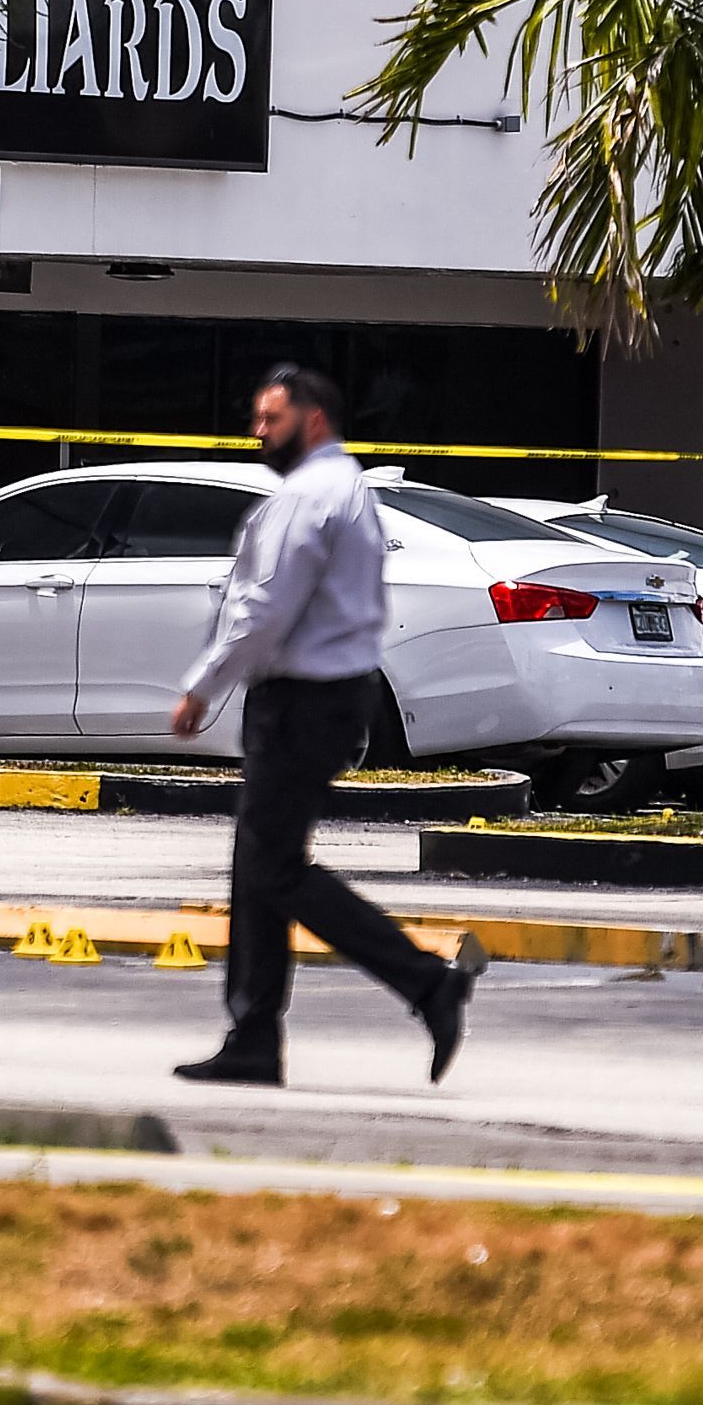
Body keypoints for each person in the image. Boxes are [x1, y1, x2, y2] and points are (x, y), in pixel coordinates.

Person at [169, 365, 478, 1088]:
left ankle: (427, 983)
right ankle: (252, 1036)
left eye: (269, 418)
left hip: (303, 702)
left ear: (311, 420)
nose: (257, 431)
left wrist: (202, 686)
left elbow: (264, 607)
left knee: (271, 867)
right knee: (259, 866)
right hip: (331, 696)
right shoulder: (350, 490)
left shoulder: (310, 496)